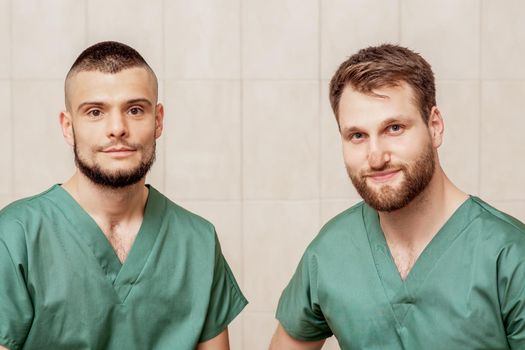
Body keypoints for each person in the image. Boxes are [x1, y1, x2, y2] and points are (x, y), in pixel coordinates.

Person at [269, 44, 525, 349]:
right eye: (357, 136)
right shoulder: (330, 253)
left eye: (394, 128)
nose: (376, 157)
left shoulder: (509, 256)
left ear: (435, 127)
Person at [0, 41, 247, 350]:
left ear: (158, 120)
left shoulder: (198, 241)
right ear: (68, 127)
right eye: (95, 112)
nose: (117, 128)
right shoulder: (14, 237)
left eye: (135, 110)